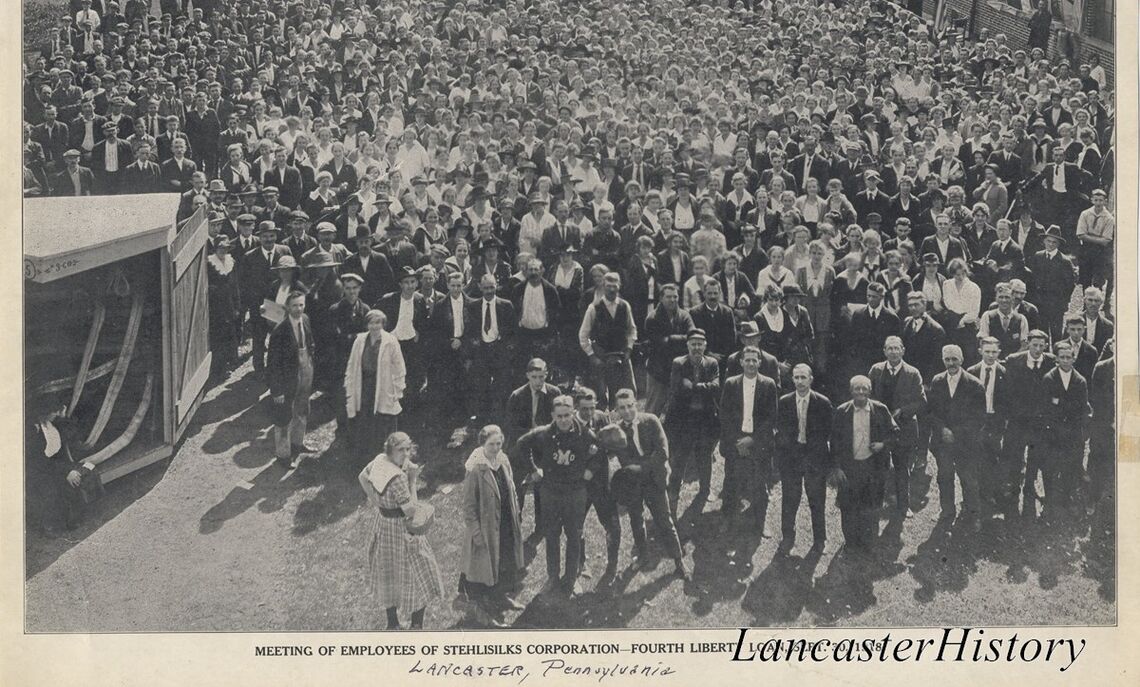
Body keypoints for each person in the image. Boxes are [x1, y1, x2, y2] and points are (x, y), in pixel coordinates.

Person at [514, 395, 602, 596]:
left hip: (575, 493)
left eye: (567, 415)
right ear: (553, 415)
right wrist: (533, 469)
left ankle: (571, 579)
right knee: (552, 535)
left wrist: (591, 469)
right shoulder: (544, 434)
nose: (563, 420)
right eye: (559, 416)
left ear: (573, 413)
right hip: (550, 492)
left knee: (574, 535)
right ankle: (552, 577)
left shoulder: (585, 434)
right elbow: (521, 444)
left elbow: (600, 452)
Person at [357, 432, 442, 630]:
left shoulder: (380, 461)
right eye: (400, 450)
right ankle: (416, 625)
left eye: (407, 449)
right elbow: (411, 510)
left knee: (387, 572)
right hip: (401, 529)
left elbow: (362, 476)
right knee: (418, 574)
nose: (405, 454)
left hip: (383, 525)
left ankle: (393, 624)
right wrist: (412, 480)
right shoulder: (398, 478)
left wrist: (375, 500)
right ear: (390, 450)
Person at [607, 389, 690, 580]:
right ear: (617, 410)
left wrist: (640, 465)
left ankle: (679, 561)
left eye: (629, 406)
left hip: (655, 480)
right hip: (633, 484)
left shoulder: (651, 421)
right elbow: (625, 460)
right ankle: (643, 556)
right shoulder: (616, 431)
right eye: (622, 408)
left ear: (636, 404)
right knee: (636, 520)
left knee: (664, 520)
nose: (627, 411)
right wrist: (643, 463)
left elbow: (662, 452)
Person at [459, 425, 525, 628]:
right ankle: (484, 612)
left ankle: (501, 596)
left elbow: (512, 489)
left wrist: (516, 515)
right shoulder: (476, 469)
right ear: (482, 444)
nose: (495, 448)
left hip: (504, 522)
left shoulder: (503, 461)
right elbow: (469, 507)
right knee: (484, 570)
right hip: (486, 530)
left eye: (498, 443)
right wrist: (476, 533)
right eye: (491, 444)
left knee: (504, 562)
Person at [830, 376, 898, 550]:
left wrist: (883, 444)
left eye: (864, 389)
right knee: (848, 506)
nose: (860, 392)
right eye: (857, 389)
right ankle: (851, 543)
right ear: (851, 391)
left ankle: (868, 542)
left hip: (873, 466)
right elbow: (834, 442)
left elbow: (895, 433)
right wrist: (837, 467)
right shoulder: (842, 411)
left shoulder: (881, 410)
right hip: (849, 467)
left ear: (869, 391)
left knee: (871, 505)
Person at [719, 345, 779, 530]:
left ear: (760, 362)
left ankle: (760, 522)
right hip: (735, 441)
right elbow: (724, 414)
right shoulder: (731, 383)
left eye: (755, 360)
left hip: (758, 441)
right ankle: (728, 518)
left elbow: (772, 417)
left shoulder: (768, 384)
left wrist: (752, 439)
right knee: (731, 480)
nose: (751, 363)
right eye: (748, 360)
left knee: (760, 483)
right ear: (741, 362)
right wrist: (738, 441)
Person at [926, 344, 986, 529]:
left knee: (968, 478)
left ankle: (973, 513)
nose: (951, 363)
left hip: (966, 442)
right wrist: (942, 430)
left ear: (962, 360)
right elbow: (931, 411)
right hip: (942, 441)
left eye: (954, 359)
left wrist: (956, 433)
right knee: (944, 476)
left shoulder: (975, 385)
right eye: (947, 359)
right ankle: (947, 510)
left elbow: (979, 417)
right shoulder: (937, 381)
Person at [775, 364, 833, 550]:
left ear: (811, 379)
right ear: (792, 379)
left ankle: (819, 540)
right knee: (790, 499)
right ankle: (788, 538)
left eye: (803, 377)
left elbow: (827, 432)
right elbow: (781, 432)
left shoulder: (823, 403)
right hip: (791, 457)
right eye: (796, 377)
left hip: (814, 458)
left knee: (816, 499)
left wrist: (813, 456)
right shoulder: (784, 402)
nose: (800, 381)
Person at [664, 328, 721, 519]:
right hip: (684, 420)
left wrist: (694, 386)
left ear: (705, 345)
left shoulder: (712, 363)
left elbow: (715, 387)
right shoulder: (678, 364)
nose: (697, 347)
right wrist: (702, 388)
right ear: (687, 345)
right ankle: (673, 491)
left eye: (700, 344)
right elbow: (678, 390)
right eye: (693, 344)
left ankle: (705, 490)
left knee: (705, 457)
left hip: (705, 420)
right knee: (679, 458)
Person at [869, 337, 927, 519]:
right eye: (890, 349)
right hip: (881, 429)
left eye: (897, 348)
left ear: (903, 350)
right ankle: (876, 504)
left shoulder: (912, 373)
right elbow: (867, 396)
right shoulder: (876, 370)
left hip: (905, 428)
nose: (893, 352)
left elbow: (921, 402)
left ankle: (904, 506)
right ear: (884, 351)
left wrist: (902, 411)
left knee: (902, 468)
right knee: (880, 468)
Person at [504, 358, 561, 537]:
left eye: (542, 377)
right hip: (521, 446)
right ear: (527, 375)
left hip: (544, 447)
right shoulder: (517, 396)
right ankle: (514, 527)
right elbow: (514, 430)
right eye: (534, 377)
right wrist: (531, 467)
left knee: (543, 488)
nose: (538, 381)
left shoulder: (554, 393)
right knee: (517, 490)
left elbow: (558, 422)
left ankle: (541, 527)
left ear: (547, 375)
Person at [344, 310, 406, 463]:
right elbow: (352, 364)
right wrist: (349, 385)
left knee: (383, 421)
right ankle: (364, 459)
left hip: (383, 386)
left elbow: (399, 368)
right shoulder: (359, 340)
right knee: (364, 420)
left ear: (383, 324)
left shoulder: (390, 341)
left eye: (378, 322)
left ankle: (386, 459)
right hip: (364, 384)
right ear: (367, 324)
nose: (375, 326)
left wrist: (397, 390)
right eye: (371, 323)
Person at [1041, 342, 1092, 521]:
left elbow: (1081, 408)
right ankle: (1050, 503)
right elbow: (1047, 407)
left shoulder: (1080, 381)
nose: (1065, 360)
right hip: (1053, 433)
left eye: (1068, 357)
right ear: (1056, 359)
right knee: (1051, 467)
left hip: (1073, 433)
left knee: (1071, 468)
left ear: (1073, 358)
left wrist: (1060, 403)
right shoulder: (1049, 378)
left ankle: (1067, 500)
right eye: (1061, 357)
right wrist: (1063, 406)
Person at [266, 291, 316, 467]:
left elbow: (310, 343)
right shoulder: (280, 331)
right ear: (287, 307)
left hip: (305, 372)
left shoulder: (306, 320)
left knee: (302, 410)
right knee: (284, 417)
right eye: (294, 305)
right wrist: (276, 390)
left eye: (301, 304)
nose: (299, 309)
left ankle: (297, 444)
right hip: (288, 378)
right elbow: (273, 363)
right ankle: (283, 455)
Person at [578, 271, 637, 407]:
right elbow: (583, 335)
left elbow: (632, 329)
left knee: (628, 393)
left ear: (619, 287)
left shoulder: (625, 306)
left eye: (614, 286)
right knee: (601, 397)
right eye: (608, 286)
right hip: (601, 356)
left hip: (622, 355)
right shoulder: (593, 308)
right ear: (603, 287)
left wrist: (629, 348)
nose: (611, 289)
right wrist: (592, 356)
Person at [967, 337, 1011, 518]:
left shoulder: (1005, 373)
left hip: (995, 421)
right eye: (987, 351)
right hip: (975, 422)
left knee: (992, 458)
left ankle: (990, 494)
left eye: (994, 352)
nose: (991, 355)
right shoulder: (971, 372)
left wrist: (1001, 422)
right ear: (980, 352)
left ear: (999, 353)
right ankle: (971, 497)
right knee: (973, 457)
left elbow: (1007, 401)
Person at [642, 283, 694, 415]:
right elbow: (658, 344)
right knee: (653, 409)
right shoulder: (652, 318)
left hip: (680, 369)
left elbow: (692, 337)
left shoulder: (685, 316)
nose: (672, 300)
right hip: (658, 369)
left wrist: (670, 339)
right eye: (668, 297)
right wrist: (681, 340)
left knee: (680, 408)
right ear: (661, 298)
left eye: (675, 297)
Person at [206, 236, 241, 376]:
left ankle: (229, 363)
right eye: (220, 248)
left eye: (225, 248)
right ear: (216, 249)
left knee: (230, 334)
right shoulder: (209, 263)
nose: (223, 251)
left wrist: (237, 306)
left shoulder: (231, 261)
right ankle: (218, 368)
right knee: (218, 336)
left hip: (230, 304)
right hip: (216, 305)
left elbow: (235, 285)